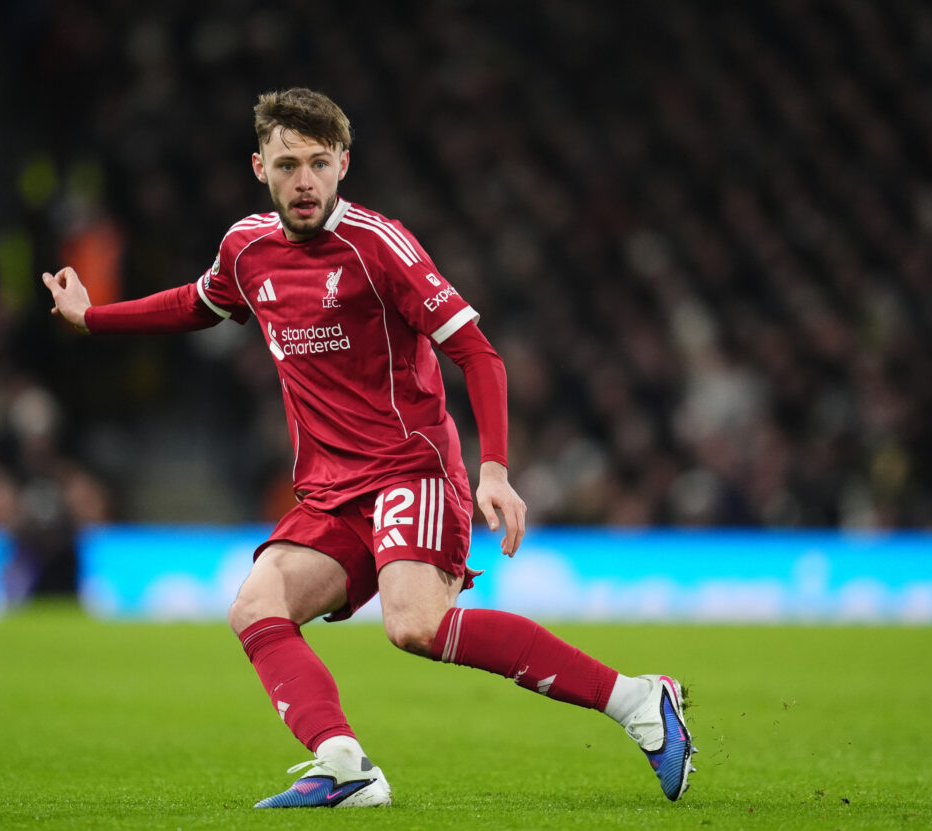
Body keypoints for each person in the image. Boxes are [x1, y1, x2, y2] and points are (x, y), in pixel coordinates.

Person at [43, 87, 696, 808]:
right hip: (331, 488)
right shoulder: (246, 248)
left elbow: (478, 353)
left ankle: (637, 699)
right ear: (259, 167)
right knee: (256, 606)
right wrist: (94, 318)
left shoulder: (378, 245)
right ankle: (344, 763)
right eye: (287, 164)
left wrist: (494, 470)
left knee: (414, 626)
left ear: (343, 164)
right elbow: (198, 303)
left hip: (410, 468)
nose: (304, 181)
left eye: (319, 163)